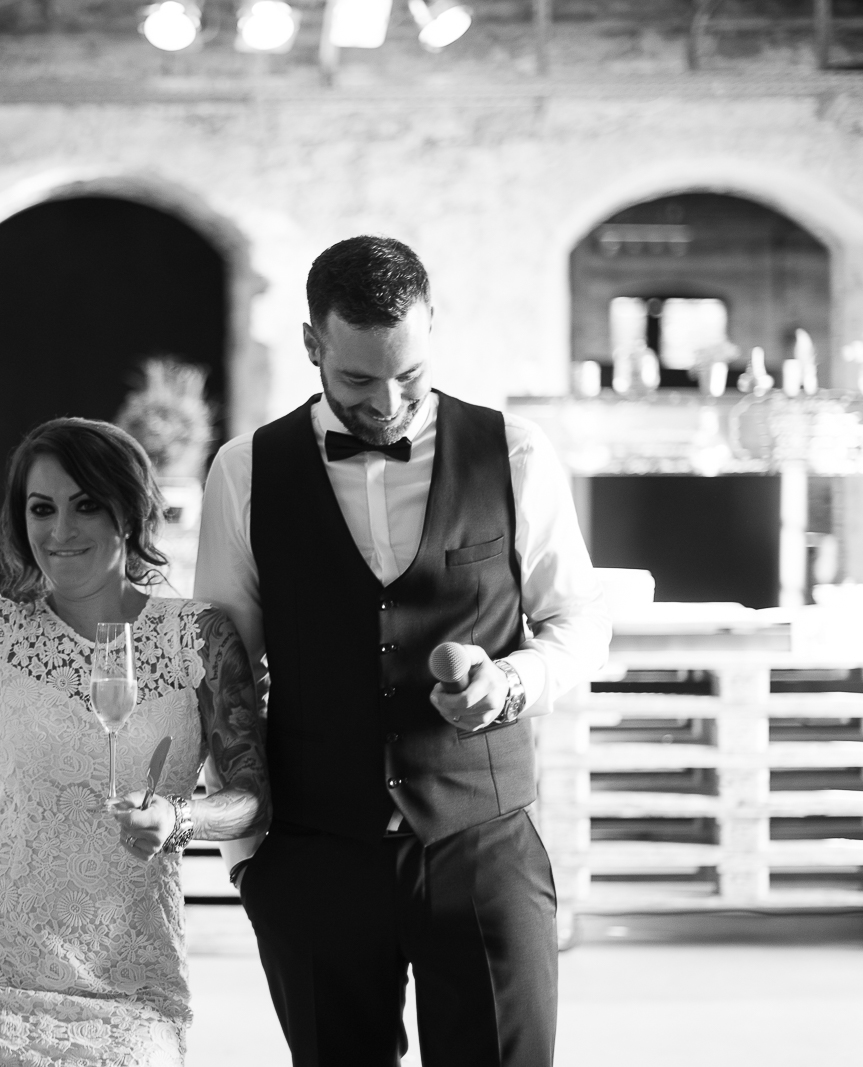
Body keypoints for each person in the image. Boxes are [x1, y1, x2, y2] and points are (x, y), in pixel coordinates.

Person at [196, 236, 611, 1067]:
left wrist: (510, 682)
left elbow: (578, 621)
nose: (388, 402)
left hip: (482, 841)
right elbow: (223, 664)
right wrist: (247, 860)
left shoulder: (516, 453)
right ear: (312, 344)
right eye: (358, 379)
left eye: (409, 374)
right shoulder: (246, 471)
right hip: (314, 856)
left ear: (432, 330)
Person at [0, 339, 268, 1067]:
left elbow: (251, 799)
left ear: (129, 511)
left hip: (132, 984)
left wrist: (178, 818)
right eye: (42, 508)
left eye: (86, 504)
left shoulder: (199, 635)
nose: (61, 531)